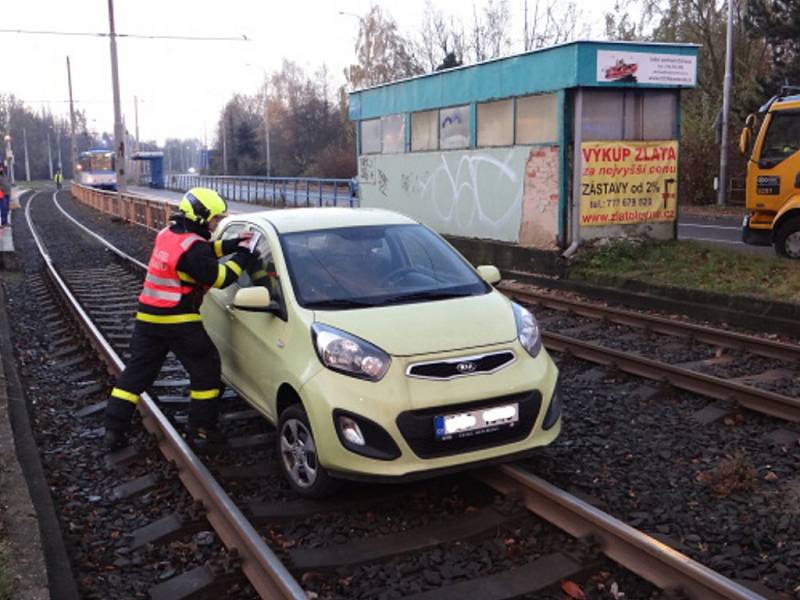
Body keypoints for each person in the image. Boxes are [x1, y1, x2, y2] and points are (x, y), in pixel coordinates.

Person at [104, 187, 256, 451]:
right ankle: (201, 431)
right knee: (206, 371)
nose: (216, 223)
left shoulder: (169, 235)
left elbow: (205, 251)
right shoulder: (193, 249)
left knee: (135, 376)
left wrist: (233, 244)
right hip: (178, 320)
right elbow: (219, 277)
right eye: (215, 218)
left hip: (148, 319)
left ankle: (113, 430)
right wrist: (244, 254)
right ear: (200, 217)